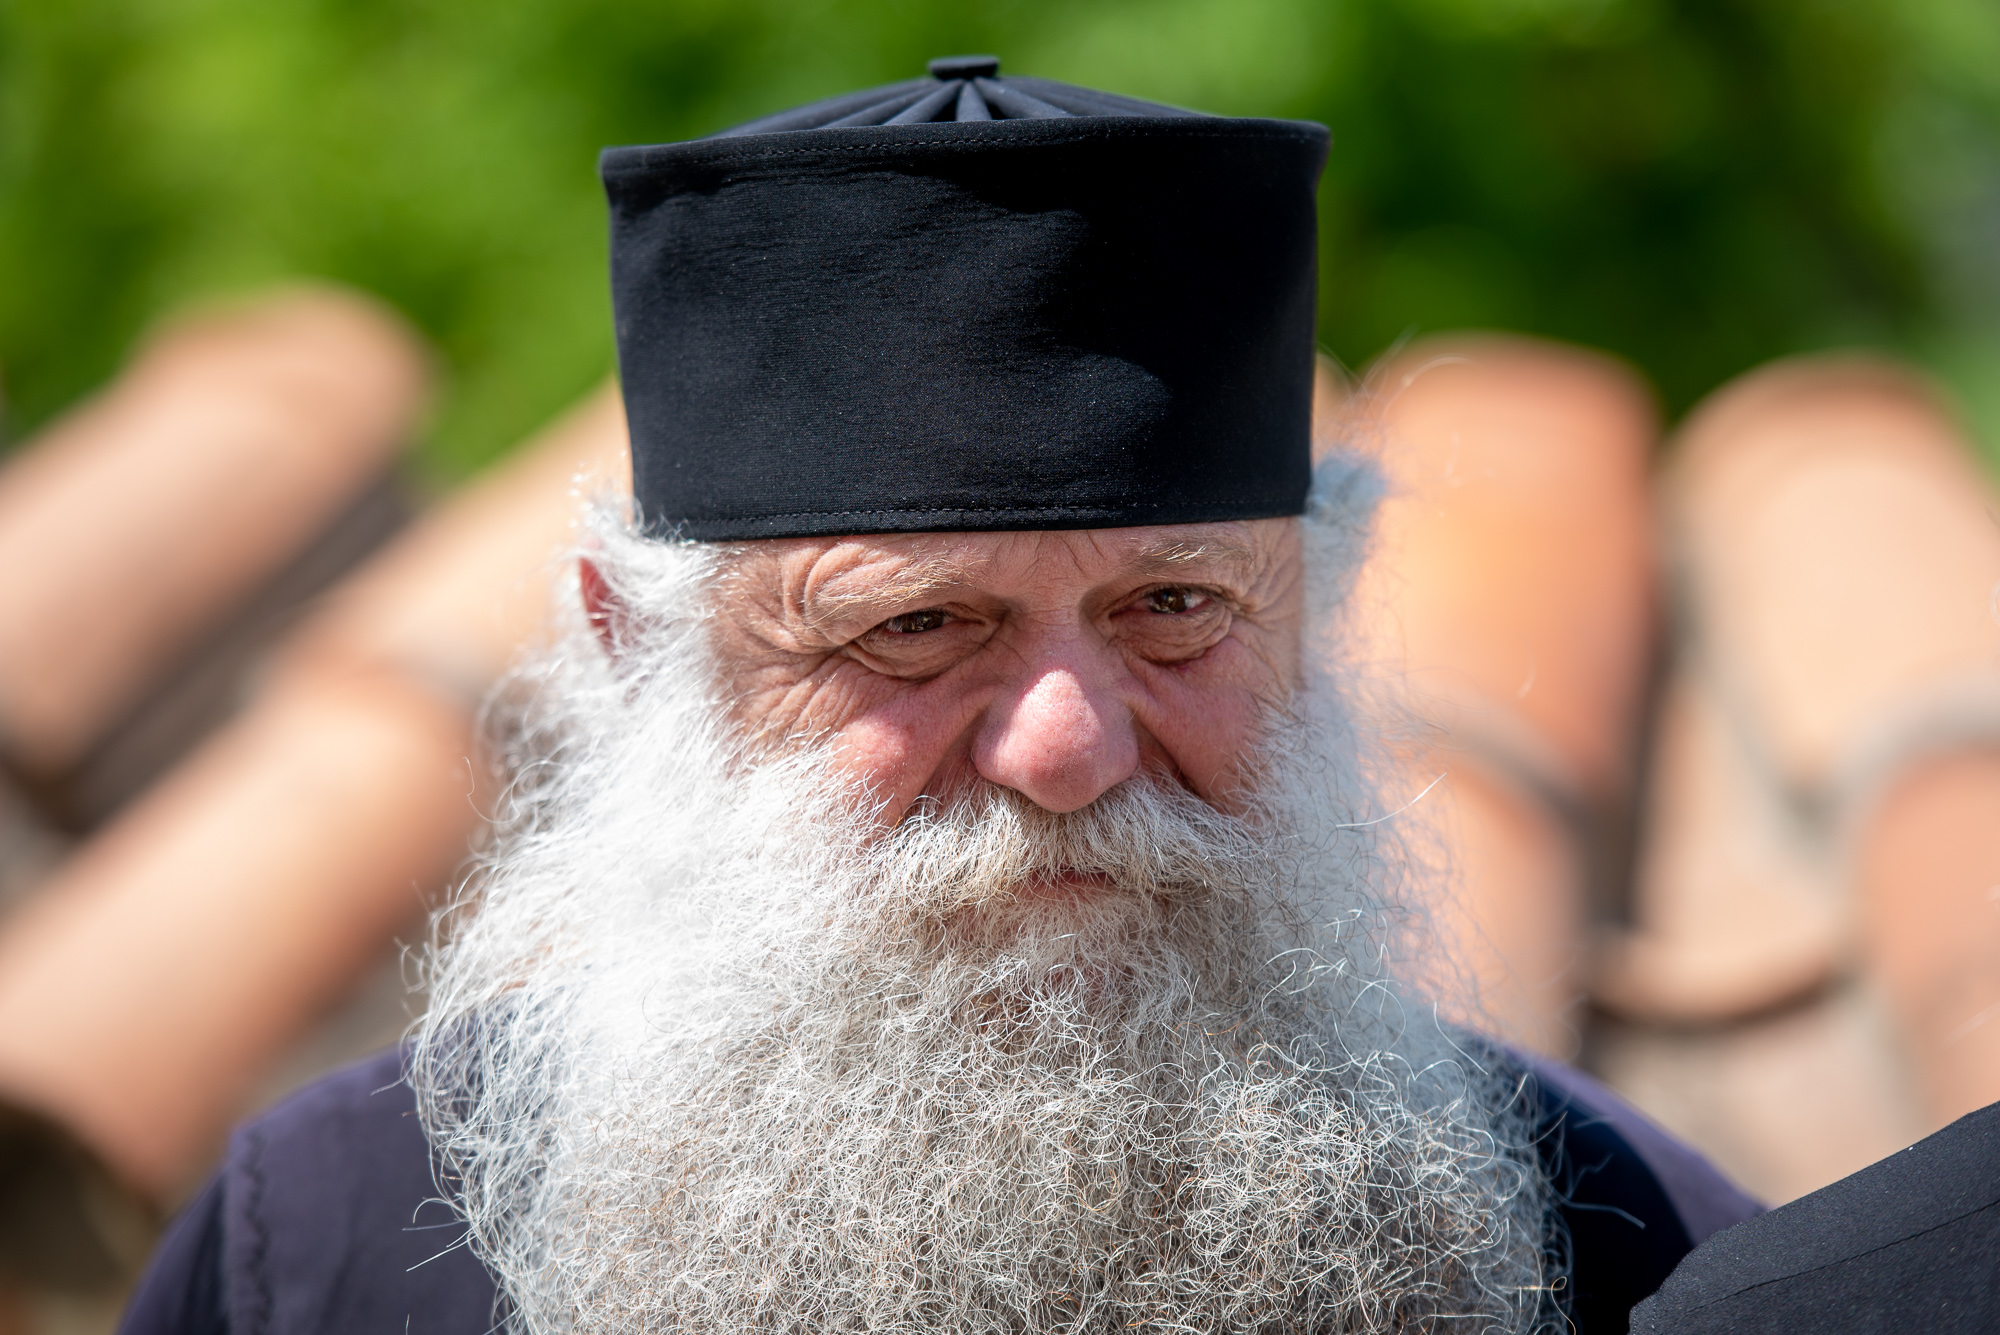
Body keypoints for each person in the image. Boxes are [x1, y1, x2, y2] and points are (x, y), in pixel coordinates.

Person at [114, 58, 1757, 1335]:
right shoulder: (322, 1255)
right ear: (635, 647)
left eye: (1174, 608)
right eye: (913, 629)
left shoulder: (1636, 1253)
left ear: (1316, 618)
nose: (1066, 749)